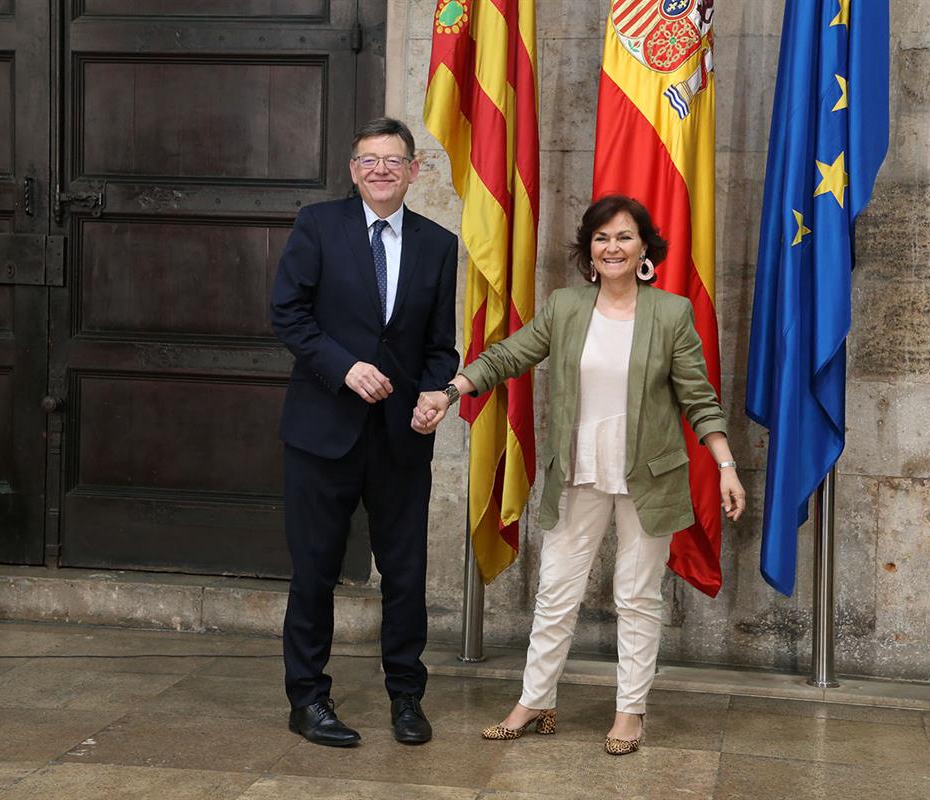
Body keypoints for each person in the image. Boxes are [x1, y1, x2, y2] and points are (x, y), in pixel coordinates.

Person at [412, 195, 745, 755]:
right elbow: (506, 357)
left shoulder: (670, 313)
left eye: (623, 237)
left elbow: (699, 398)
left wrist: (727, 466)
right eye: (601, 238)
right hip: (578, 471)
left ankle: (630, 711)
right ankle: (535, 699)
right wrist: (449, 392)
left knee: (637, 597)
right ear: (588, 251)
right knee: (556, 592)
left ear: (644, 248)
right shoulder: (566, 307)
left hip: (650, 477)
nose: (612, 247)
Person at [271, 117, 459, 747]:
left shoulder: (438, 243)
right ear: (354, 170)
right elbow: (288, 314)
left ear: (414, 171)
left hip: (403, 436)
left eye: (394, 160)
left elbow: (439, 345)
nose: (381, 170)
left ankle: (407, 696)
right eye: (369, 159)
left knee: (405, 575)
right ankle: (309, 700)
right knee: (315, 570)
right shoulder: (318, 225)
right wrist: (343, 368)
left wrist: (436, 391)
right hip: (323, 430)